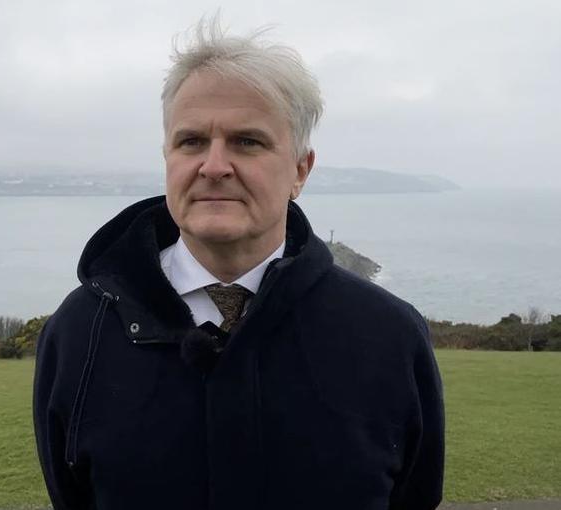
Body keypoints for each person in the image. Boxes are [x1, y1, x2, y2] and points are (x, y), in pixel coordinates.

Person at [33, 18, 444, 510]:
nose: (214, 166)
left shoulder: (390, 337)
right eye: (191, 142)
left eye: (247, 141)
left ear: (300, 169)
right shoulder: (79, 333)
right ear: (167, 156)